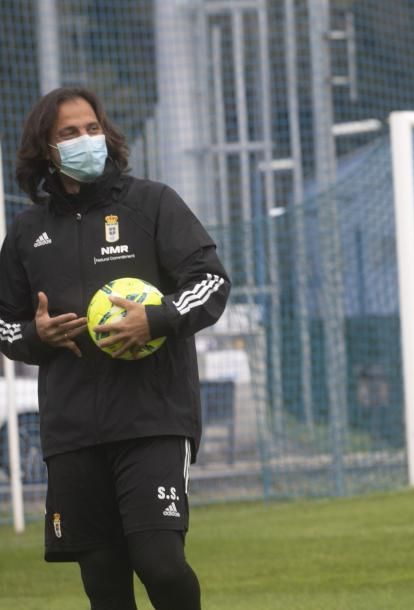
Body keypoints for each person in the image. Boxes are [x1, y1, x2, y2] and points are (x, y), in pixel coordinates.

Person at [0, 87, 230, 609]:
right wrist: (39, 336)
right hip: (73, 430)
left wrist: (156, 318)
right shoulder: (26, 231)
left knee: (161, 563)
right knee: (104, 584)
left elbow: (211, 282)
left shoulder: (152, 203)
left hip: (152, 418)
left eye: (92, 128)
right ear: (46, 150)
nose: (86, 140)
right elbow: (5, 325)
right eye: (69, 133)